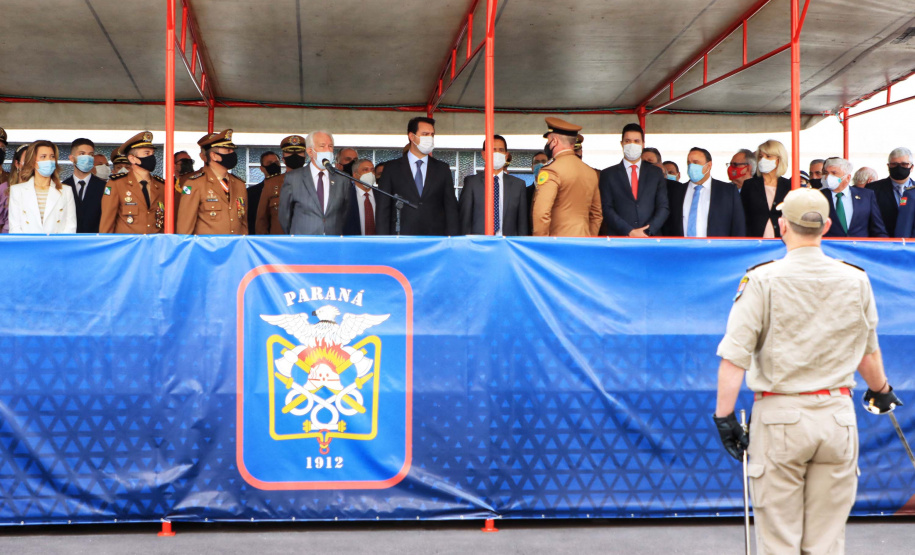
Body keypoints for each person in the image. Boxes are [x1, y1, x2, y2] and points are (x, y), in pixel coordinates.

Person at [713, 187, 902, 554]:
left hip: (780, 416)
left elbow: (734, 357)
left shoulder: (762, 279)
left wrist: (724, 417)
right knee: (826, 541)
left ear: (782, 225)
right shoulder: (855, 278)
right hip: (836, 417)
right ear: (827, 226)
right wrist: (881, 390)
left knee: (780, 540)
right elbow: (868, 351)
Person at [375, 117, 459, 235]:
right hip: (401, 236)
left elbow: (451, 208)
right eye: (425, 134)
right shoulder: (391, 168)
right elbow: (383, 208)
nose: (429, 138)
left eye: (432, 135)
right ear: (411, 136)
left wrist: (452, 238)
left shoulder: (442, 169)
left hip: (435, 236)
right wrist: (383, 239)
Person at [531, 117, 602, 237]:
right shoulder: (590, 172)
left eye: (548, 140)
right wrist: (589, 240)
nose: (547, 144)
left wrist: (542, 243)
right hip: (584, 242)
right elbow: (596, 215)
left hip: (558, 244)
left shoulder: (551, 170)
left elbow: (541, 213)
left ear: (555, 141)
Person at [598, 123, 668, 237]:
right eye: (627, 141)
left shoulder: (656, 173)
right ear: (621, 144)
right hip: (620, 238)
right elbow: (606, 208)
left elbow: (663, 207)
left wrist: (647, 231)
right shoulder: (608, 174)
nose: (632, 145)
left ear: (643, 144)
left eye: (636, 141)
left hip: (650, 238)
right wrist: (629, 231)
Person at [278, 130, 350, 235]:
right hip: (303, 240)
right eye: (322, 146)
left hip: (332, 240)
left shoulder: (342, 179)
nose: (328, 150)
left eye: (330, 146)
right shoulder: (293, 178)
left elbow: (345, 214)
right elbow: (285, 215)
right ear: (310, 151)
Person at [176, 129, 248, 235]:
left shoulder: (239, 184)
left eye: (232, 151)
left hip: (235, 245)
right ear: (214, 156)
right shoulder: (194, 184)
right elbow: (184, 229)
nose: (232, 154)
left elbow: (243, 225)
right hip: (206, 246)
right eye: (228, 151)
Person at [663, 147, 745, 237]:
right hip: (682, 245)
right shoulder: (676, 192)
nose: (691, 166)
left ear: (708, 166)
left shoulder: (727, 191)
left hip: (716, 245)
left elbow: (738, 226)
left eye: (695, 162)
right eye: (689, 163)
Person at [98, 132, 167, 234]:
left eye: (152, 153)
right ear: (132, 158)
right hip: (128, 243)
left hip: (155, 243)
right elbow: (107, 223)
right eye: (147, 153)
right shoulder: (117, 184)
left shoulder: (161, 186)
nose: (152, 157)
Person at [459, 135, 528, 236]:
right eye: (493, 150)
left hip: (507, 243)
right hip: (480, 243)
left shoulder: (518, 185)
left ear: (506, 155)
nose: (497, 153)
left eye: (501, 150)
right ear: (484, 154)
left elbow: (522, 224)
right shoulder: (471, 183)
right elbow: (465, 220)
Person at [8, 140, 77, 234]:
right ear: (33, 161)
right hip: (27, 243)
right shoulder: (17, 191)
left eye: (52, 156)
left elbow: (70, 227)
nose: (49, 160)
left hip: (58, 243)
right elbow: (15, 227)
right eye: (43, 157)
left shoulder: (66, 191)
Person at [820, 157, 887, 238]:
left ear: (847, 178)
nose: (828, 177)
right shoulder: (818, 196)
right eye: (826, 173)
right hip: (829, 245)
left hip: (859, 245)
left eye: (834, 173)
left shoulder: (867, 196)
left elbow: (878, 229)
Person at [741, 140, 791, 238]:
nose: (763, 160)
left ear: (779, 159)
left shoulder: (789, 186)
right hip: (755, 242)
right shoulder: (749, 185)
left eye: (768, 156)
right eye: (760, 156)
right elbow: (742, 216)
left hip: (782, 241)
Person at [255, 137, 303, 235]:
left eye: (299, 152)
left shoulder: (315, 182)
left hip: (307, 242)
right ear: (283, 159)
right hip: (278, 242)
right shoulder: (272, 183)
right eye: (289, 153)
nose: (294, 156)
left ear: (305, 156)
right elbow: (261, 221)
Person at [867, 147, 914, 238]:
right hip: (882, 242)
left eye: (904, 164)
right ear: (888, 166)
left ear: (911, 167)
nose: (899, 167)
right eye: (894, 164)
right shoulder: (872, 189)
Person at [62, 138, 106, 233]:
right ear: (71, 158)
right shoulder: (62, 187)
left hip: (96, 240)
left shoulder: (104, 187)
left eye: (91, 155)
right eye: (82, 154)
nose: (87, 158)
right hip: (69, 239)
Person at [343, 158, 377, 236]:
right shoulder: (345, 195)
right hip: (353, 241)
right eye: (365, 170)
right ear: (355, 175)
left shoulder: (382, 195)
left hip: (380, 242)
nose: (370, 173)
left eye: (372, 170)